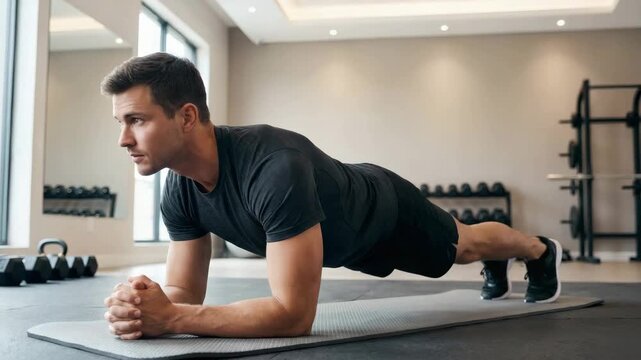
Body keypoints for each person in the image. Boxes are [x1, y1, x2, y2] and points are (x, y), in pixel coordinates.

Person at [101, 52, 562, 340]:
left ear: (185, 117)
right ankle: (506, 255)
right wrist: (148, 307)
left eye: (136, 120)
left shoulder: (272, 165)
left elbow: (292, 316)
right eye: (120, 123)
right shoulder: (178, 189)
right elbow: (184, 293)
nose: (124, 139)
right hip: (343, 241)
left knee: (465, 245)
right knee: (466, 245)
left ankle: (537, 250)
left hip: (383, 211)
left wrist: (175, 320)